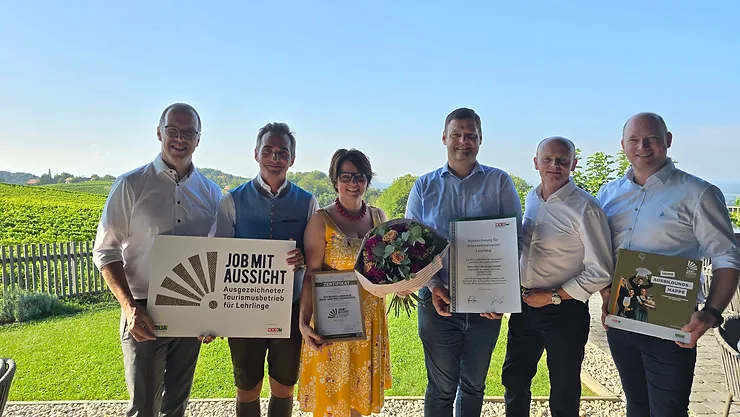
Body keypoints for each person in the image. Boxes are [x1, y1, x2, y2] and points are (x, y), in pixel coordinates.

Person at [598, 112, 740, 416]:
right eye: (634, 140)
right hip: (620, 321)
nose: (643, 146)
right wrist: (606, 293)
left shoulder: (698, 193)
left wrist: (711, 313)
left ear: (668, 141)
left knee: (669, 411)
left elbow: (726, 257)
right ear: (623, 145)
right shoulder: (608, 194)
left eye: (652, 139)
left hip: (671, 327)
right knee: (635, 405)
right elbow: (600, 254)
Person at [92, 103, 223, 417]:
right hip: (142, 308)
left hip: (192, 308)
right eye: (173, 130)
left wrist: (213, 316)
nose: (180, 138)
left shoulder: (212, 193)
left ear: (198, 138)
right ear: (159, 132)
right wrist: (129, 307)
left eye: (188, 132)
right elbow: (106, 250)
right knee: (144, 408)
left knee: (177, 405)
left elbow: (218, 255)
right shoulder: (131, 185)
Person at [405, 107, 523, 417]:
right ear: (444, 138)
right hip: (437, 301)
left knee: (474, 386)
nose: (463, 141)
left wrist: (502, 294)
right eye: (456, 134)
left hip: (487, 304)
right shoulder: (423, 187)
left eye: (470, 135)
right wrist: (432, 286)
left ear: (480, 140)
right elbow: (410, 249)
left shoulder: (499, 182)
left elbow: (514, 241)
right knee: (441, 388)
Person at [501, 137, 613, 417]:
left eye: (562, 160)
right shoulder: (531, 197)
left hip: (565, 311)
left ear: (573, 164)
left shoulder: (586, 207)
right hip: (524, 306)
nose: (555, 165)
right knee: (514, 379)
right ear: (536, 162)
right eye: (548, 159)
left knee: (563, 390)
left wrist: (552, 296)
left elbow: (601, 270)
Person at [215, 122, 318, 417]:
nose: (275, 157)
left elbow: (313, 258)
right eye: (268, 150)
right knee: (246, 386)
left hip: (291, 307)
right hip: (243, 307)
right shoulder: (231, 200)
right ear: (256, 154)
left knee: (284, 385)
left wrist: (300, 259)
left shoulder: (307, 201)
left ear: (292, 158)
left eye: (282, 151)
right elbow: (219, 257)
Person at [297, 148, 393, 417]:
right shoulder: (320, 221)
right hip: (333, 321)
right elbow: (310, 274)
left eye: (360, 176)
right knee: (333, 402)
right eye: (346, 176)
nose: (354, 183)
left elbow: (388, 272)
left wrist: (403, 286)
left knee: (359, 403)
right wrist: (304, 323)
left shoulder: (380, 217)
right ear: (335, 180)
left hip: (370, 320)